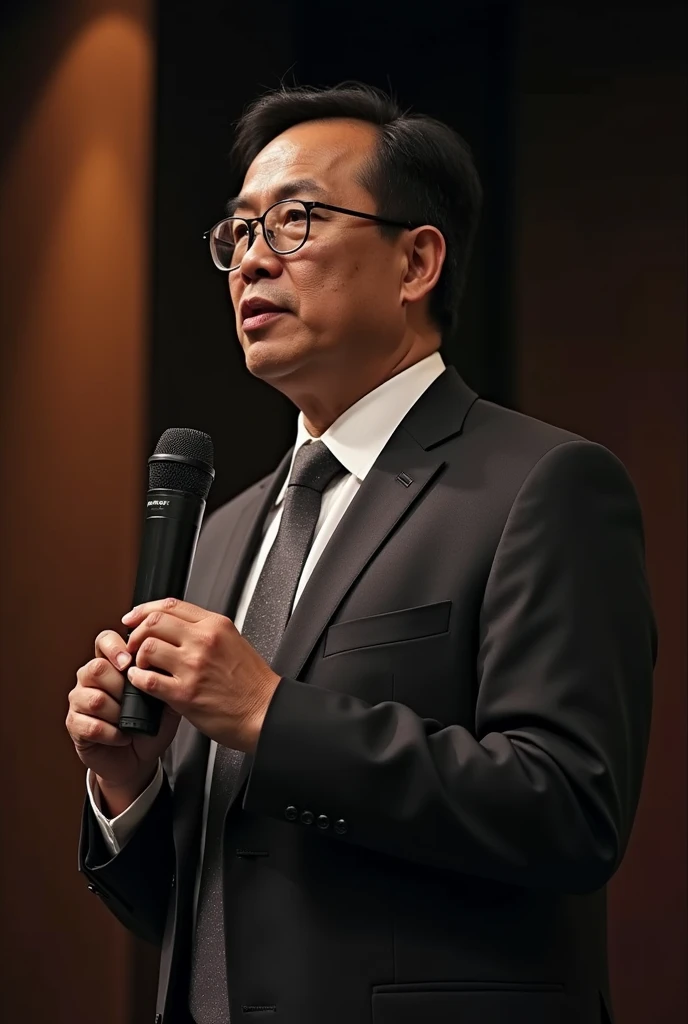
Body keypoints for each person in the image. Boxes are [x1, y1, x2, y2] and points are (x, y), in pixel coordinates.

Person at [67, 83, 656, 1024]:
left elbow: (569, 811)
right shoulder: (224, 533)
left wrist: (272, 714)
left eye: (295, 221)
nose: (253, 261)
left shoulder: (542, 485)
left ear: (417, 259)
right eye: (239, 233)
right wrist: (129, 786)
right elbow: (204, 917)